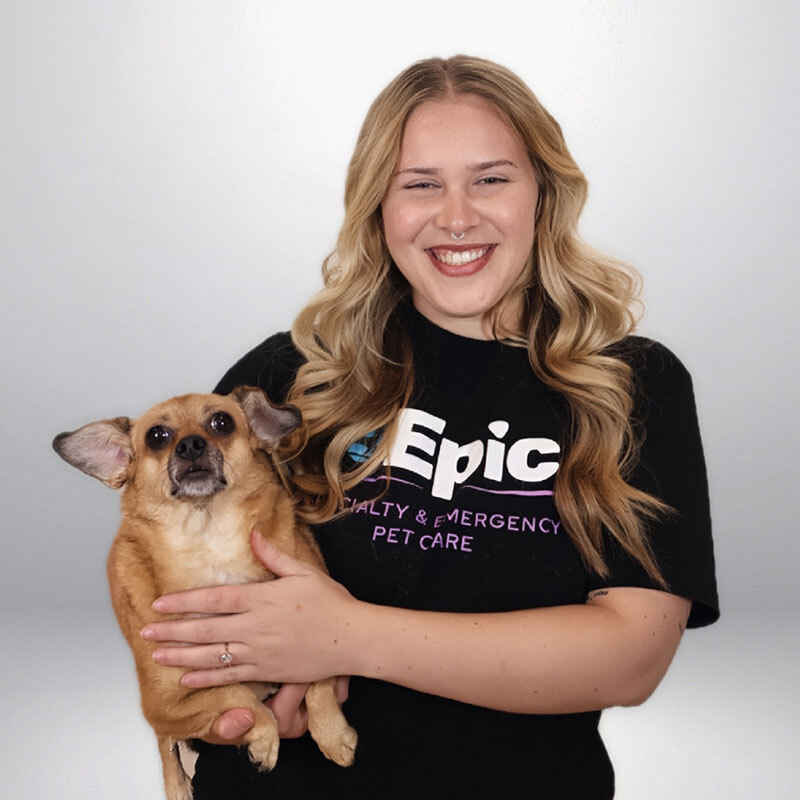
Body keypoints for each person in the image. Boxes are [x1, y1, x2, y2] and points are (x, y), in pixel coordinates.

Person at [140, 55, 719, 798]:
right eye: (420, 184)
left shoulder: (632, 386)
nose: (456, 216)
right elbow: (176, 579)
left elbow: (631, 658)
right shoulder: (292, 376)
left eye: (491, 179)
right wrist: (235, 698)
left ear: (543, 194)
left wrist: (347, 637)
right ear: (378, 206)